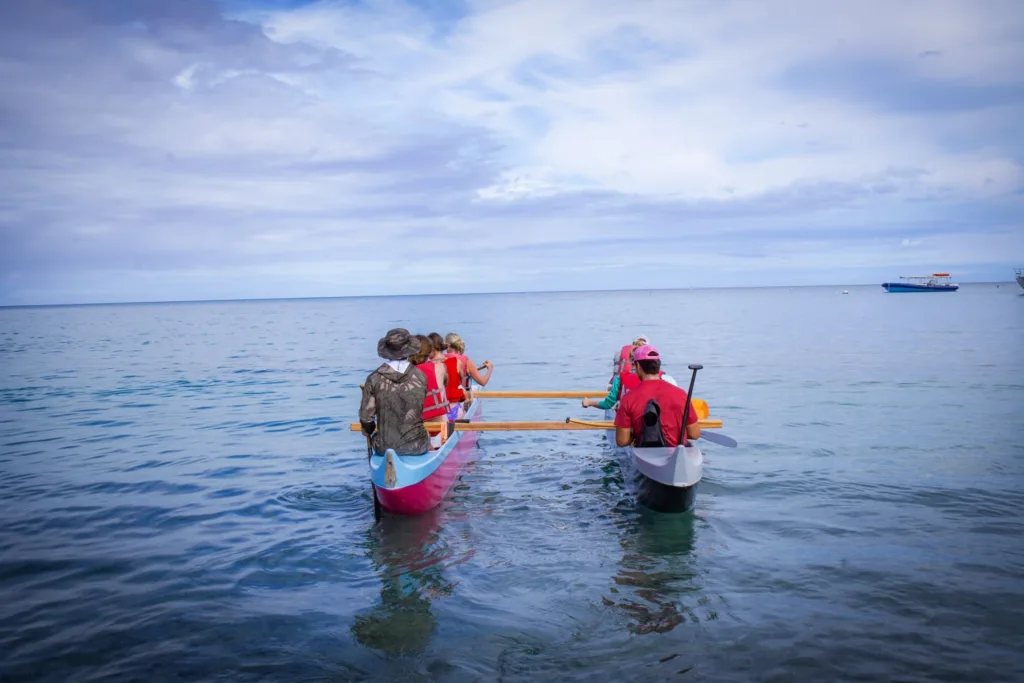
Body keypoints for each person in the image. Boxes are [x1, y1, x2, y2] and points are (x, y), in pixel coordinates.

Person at [359, 328, 430, 455]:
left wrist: (368, 430)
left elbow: (366, 419)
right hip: (417, 444)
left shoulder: (374, 378)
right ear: (409, 350)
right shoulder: (421, 376)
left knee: (375, 434)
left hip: (384, 447)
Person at [614, 344, 700, 448]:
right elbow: (694, 434)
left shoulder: (628, 399)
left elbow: (621, 441)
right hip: (676, 453)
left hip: (646, 454)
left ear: (638, 366)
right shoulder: (681, 394)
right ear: (658, 366)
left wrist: (633, 434)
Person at [410, 335, 449, 449]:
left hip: (416, 429)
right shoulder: (441, 367)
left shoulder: (405, 373)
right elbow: (444, 386)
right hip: (438, 426)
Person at [443, 332, 493, 419]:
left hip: (443, 401)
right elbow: (482, 382)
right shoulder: (466, 361)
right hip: (459, 402)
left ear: (447, 345)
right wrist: (490, 369)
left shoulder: (440, 359)